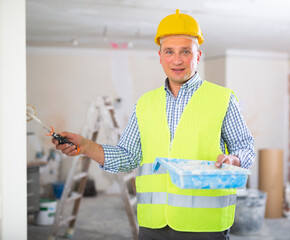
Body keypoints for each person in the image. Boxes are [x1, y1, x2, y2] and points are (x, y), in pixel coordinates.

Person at [53, 9, 255, 240]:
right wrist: (86, 146)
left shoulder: (223, 99)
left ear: (198, 56)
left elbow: (245, 148)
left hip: (204, 226)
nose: (177, 60)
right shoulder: (145, 103)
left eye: (186, 52)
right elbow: (127, 156)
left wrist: (233, 160)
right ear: (160, 56)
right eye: (169, 51)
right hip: (153, 226)